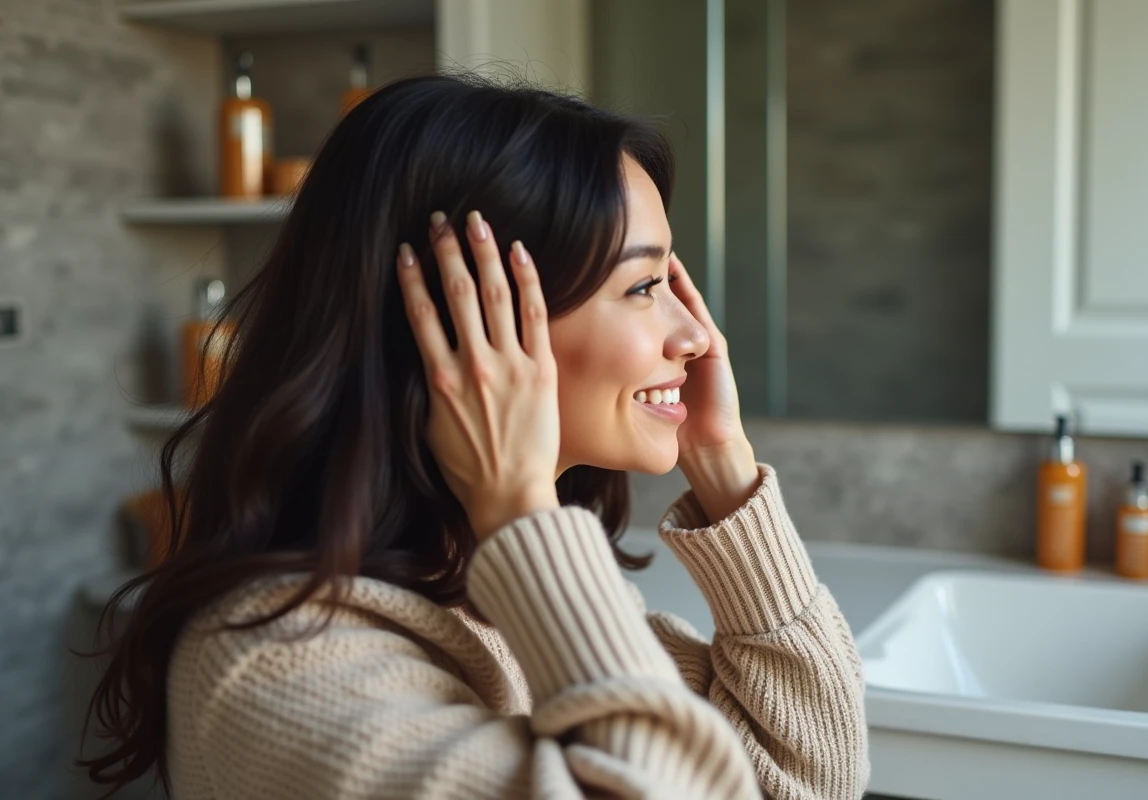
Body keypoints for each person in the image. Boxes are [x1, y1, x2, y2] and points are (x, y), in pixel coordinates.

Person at [78, 74, 869, 799]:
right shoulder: (277, 667)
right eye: (643, 285)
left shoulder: (496, 600)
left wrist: (724, 470)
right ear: (461, 333)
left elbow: (811, 777)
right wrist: (523, 515)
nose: (697, 334)